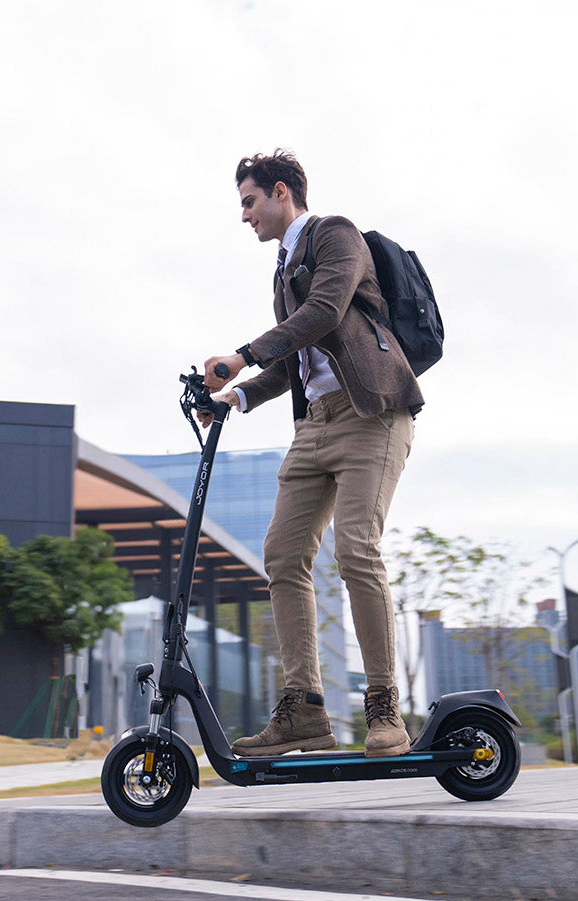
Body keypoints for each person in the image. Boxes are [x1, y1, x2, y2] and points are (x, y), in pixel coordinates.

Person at [202, 149, 423, 758]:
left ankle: (384, 709)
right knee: (282, 555)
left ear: (279, 193)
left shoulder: (335, 236)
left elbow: (324, 314)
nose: (244, 215)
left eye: (249, 202)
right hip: (316, 426)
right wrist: (236, 398)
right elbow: (295, 360)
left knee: (356, 548)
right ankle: (304, 712)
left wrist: (242, 353)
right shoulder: (282, 271)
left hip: (372, 415)